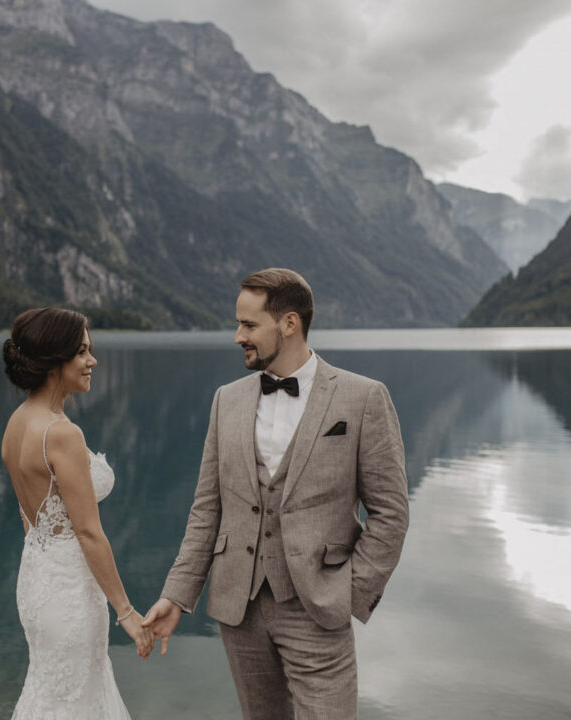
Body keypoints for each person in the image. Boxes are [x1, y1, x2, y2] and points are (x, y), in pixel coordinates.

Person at [143, 268, 410, 719]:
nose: (236, 336)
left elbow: (390, 514)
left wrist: (347, 592)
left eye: (248, 325)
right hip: (239, 609)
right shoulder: (226, 400)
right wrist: (176, 595)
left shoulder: (363, 398)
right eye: (238, 324)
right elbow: (207, 510)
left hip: (318, 607)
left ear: (289, 323)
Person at [1, 307, 152, 720]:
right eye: (82, 352)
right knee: (76, 700)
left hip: (36, 579)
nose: (92, 361)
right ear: (55, 362)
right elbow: (88, 533)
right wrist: (127, 613)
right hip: (69, 590)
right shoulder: (61, 433)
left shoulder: (17, 423)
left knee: (52, 691)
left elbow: (30, 517)